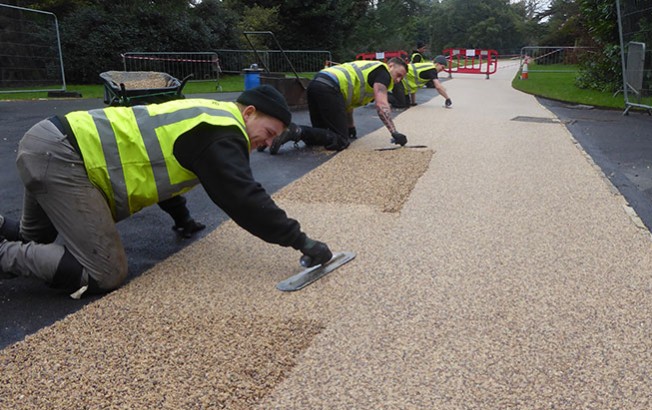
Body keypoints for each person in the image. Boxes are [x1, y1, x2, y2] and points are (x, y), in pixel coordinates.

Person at [0, 85, 333, 298]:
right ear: (249, 112)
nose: (269, 142)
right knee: (104, 272)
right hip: (64, 158)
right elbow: (243, 198)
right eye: (269, 131)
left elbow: (156, 162)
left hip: (47, 143)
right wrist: (300, 241)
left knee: (34, 241)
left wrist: (182, 217)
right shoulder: (225, 133)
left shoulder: (208, 115)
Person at [267, 58, 409, 155]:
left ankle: (274, 133)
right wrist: (394, 132)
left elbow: (348, 101)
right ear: (390, 65)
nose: (397, 80)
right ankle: (293, 130)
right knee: (340, 141)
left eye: (401, 78)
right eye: (398, 75)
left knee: (320, 135)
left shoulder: (369, 68)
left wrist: (350, 126)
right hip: (330, 89)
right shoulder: (383, 73)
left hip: (317, 84)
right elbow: (382, 104)